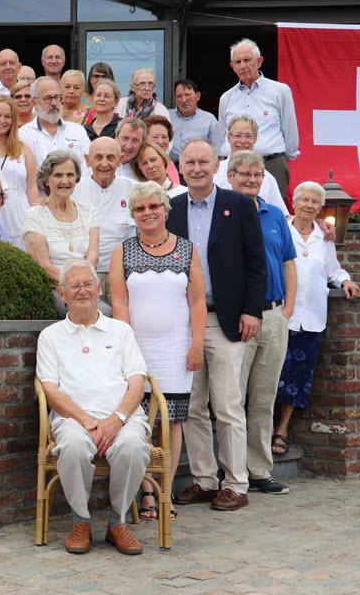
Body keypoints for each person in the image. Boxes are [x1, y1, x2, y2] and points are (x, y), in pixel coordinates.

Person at [166, 140, 267, 512]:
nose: (196, 168)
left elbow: (256, 262)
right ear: (181, 167)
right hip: (184, 324)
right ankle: (205, 480)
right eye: (189, 162)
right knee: (192, 406)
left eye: (203, 162)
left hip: (226, 321)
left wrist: (252, 311)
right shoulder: (172, 208)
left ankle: (236, 484)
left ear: (215, 166)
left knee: (227, 405)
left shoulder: (238, 205)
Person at [36, 260, 150, 556]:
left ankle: (117, 522)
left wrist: (116, 420)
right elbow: (50, 389)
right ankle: (81, 521)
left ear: (99, 289)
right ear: (62, 294)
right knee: (73, 445)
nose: (82, 291)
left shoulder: (121, 331)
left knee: (133, 447)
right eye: (74, 286)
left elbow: (137, 383)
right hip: (73, 419)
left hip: (122, 417)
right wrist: (87, 421)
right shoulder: (50, 336)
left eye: (88, 284)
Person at [109, 181, 206, 521]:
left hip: (176, 349)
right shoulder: (123, 251)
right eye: (140, 208)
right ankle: (147, 493)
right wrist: (126, 348)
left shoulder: (187, 249)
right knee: (140, 422)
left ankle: (165, 491)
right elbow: (119, 303)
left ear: (165, 209)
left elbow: (197, 301)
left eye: (153, 206)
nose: (147, 213)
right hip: (138, 348)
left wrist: (197, 344)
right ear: (133, 214)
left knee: (172, 422)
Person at [226, 150, 297, 496]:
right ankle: (233, 469)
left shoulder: (275, 215)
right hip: (238, 317)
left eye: (257, 175)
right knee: (233, 398)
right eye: (245, 174)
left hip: (272, 316)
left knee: (264, 398)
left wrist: (287, 310)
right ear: (230, 177)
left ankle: (258, 469)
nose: (252, 180)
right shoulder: (224, 215)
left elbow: (288, 263)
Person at [273, 181, 360, 455]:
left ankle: (281, 429)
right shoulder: (281, 228)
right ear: (294, 202)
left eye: (314, 202)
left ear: (321, 208)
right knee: (269, 373)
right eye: (304, 200)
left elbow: (332, 269)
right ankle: (260, 428)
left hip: (311, 317)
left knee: (298, 376)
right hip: (280, 314)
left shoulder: (324, 237)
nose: (309, 205)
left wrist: (345, 280)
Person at [218, 38, 299, 196]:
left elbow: (290, 130)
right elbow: (222, 135)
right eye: (238, 62)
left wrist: (282, 160)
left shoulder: (280, 91)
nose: (243, 66)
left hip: (271, 164)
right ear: (232, 66)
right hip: (234, 167)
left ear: (259, 61)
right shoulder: (226, 98)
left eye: (247, 60)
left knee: (271, 209)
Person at [23, 150, 99, 316]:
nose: (65, 181)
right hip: (55, 289)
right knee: (79, 313)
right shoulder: (35, 215)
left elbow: (93, 259)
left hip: (86, 287)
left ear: (76, 178)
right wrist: (74, 286)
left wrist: (82, 286)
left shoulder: (89, 212)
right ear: (46, 179)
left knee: (106, 314)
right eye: (58, 175)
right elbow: (43, 266)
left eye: (70, 175)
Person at [75, 137, 136, 297]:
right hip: (86, 274)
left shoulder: (134, 190)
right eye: (98, 157)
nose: (104, 163)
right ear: (87, 160)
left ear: (120, 160)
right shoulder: (74, 191)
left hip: (125, 272)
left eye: (110, 157)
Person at [0, 95, 40, 249]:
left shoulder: (23, 149)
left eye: (7, 117)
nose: (2, 120)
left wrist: (38, 215)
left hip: (19, 215)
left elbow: (31, 188)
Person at [215, 115, 288, 213]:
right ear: (228, 138)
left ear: (255, 139)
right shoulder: (214, 172)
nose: (243, 141)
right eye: (238, 136)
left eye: (248, 136)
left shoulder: (267, 178)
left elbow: (281, 214)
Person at [19, 77, 91, 172]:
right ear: (34, 102)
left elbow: (89, 165)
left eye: (56, 97)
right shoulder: (24, 134)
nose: (53, 103)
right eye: (48, 98)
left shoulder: (78, 131)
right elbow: (23, 170)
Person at [168, 78, 222, 163]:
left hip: (197, 167)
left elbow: (217, 152)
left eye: (187, 95)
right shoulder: (167, 116)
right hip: (170, 167)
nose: (184, 100)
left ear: (198, 96)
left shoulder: (209, 120)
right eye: (179, 96)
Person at [143, 115, 180, 185]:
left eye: (164, 137)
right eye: (155, 137)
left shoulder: (170, 164)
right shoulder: (141, 164)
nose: (160, 141)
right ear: (145, 139)